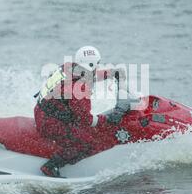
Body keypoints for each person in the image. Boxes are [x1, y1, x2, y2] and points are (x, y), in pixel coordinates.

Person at [33, 46, 126, 177]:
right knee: (87, 143)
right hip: (49, 123)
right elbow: (85, 119)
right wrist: (108, 120)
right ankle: (51, 166)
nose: (98, 67)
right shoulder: (80, 87)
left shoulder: (69, 67)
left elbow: (90, 75)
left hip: (43, 112)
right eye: (97, 64)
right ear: (92, 64)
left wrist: (111, 73)